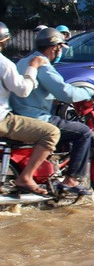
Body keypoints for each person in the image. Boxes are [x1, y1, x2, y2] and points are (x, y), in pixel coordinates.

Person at [12, 28, 94, 196]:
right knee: (83, 133)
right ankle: (71, 181)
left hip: (20, 116)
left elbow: (41, 90)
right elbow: (65, 92)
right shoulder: (42, 64)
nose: (60, 52)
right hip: (37, 118)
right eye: (60, 48)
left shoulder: (23, 61)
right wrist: (89, 93)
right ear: (55, 47)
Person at [0, 22, 60, 195]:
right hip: (2, 120)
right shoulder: (4, 64)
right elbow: (23, 90)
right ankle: (26, 177)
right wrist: (32, 68)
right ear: (4, 41)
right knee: (52, 133)